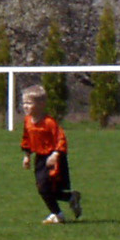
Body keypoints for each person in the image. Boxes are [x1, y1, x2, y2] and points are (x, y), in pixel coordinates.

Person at [19, 85, 82, 224]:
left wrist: (55, 154)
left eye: (29, 103)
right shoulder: (27, 121)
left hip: (54, 159)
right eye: (24, 103)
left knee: (45, 187)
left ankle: (58, 215)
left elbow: (60, 138)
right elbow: (26, 138)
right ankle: (70, 198)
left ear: (41, 104)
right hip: (40, 158)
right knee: (45, 189)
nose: (25, 106)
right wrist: (27, 155)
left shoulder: (49, 122)